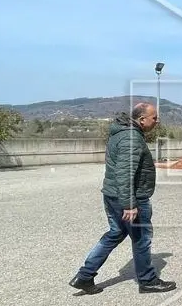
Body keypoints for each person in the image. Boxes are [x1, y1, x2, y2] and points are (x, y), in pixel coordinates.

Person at [70, 103, 176, 294]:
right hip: (129, 198)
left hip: (112, 195)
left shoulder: (120, 132)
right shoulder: (131, 137)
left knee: (115, 234)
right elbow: (125, 172)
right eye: (154, 117)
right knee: (142, 239)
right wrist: (129, 204)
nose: (157, 121)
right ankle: (147, 280)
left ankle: (84, 276)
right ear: (142, 119)